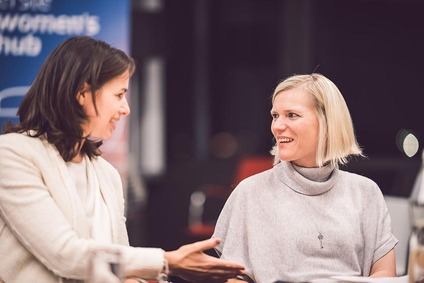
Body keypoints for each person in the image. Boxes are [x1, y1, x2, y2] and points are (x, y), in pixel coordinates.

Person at [0, 36, 245, 283]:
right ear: (82, 93)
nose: (125, 108)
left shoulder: (105, 173)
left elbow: (120, 262)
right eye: (119, 95)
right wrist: (167, 262)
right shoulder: (12, 154)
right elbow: (65, 254)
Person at [212, 73, 398, 283]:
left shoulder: (365, 192)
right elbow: (235, 278)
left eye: (291, 115)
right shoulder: (250, 192)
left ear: (328, 122)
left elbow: (385, 274)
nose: (277, 126)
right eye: (275, 116)